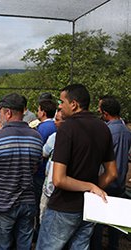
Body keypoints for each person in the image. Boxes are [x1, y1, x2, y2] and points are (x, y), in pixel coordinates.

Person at [36, 84, 117, 250]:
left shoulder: (67, 128)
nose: (59, 105)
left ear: (73, 104)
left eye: (62, 101)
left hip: (63, 207)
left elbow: (58, 179)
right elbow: (112, 173)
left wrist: (90, 186)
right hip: (89, 209)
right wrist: (92, 190)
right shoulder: (103, 128)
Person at [0, 93, 43, 250]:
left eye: (0, 112)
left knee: (3, 245)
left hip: (3, 203)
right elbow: (35, 167)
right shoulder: (36, 137)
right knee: (24, 244)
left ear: (8, 113)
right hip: (28, 201)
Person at [91, 96, 131, 250]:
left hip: (106, 178)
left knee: (99, 219)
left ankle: (97, 246)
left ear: (106, 113)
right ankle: (113, 245)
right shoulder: (126, 131)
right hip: (120, 180)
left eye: (100, 110)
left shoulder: (107, 131)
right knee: (115, 219)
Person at [33, 98, 57, 240]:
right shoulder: (56, 126)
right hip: (52, 174)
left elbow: (39, 152)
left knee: (40, 205)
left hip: (41, 172)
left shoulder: (42, 129)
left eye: (38, 109)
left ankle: (40, 232)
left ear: (43, 112)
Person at [39, 109, 64, 222]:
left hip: (52, 183)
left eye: (57, 120)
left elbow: (44, 152)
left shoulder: (55, 137)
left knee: (45, 213)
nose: (55, 122)